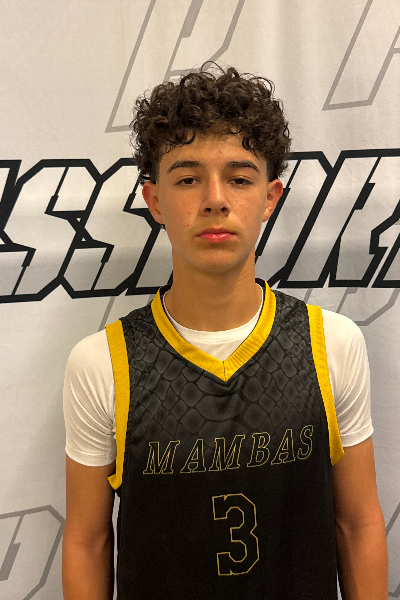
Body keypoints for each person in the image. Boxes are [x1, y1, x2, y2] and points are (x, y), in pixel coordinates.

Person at [62, 64, 388, 599]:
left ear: (270, 197)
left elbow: (358, 524)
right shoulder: (103, 361)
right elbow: (87, 541)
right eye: (188, 178)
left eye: (239, 178)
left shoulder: (331, 342)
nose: (215, 198)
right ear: (154, 200)